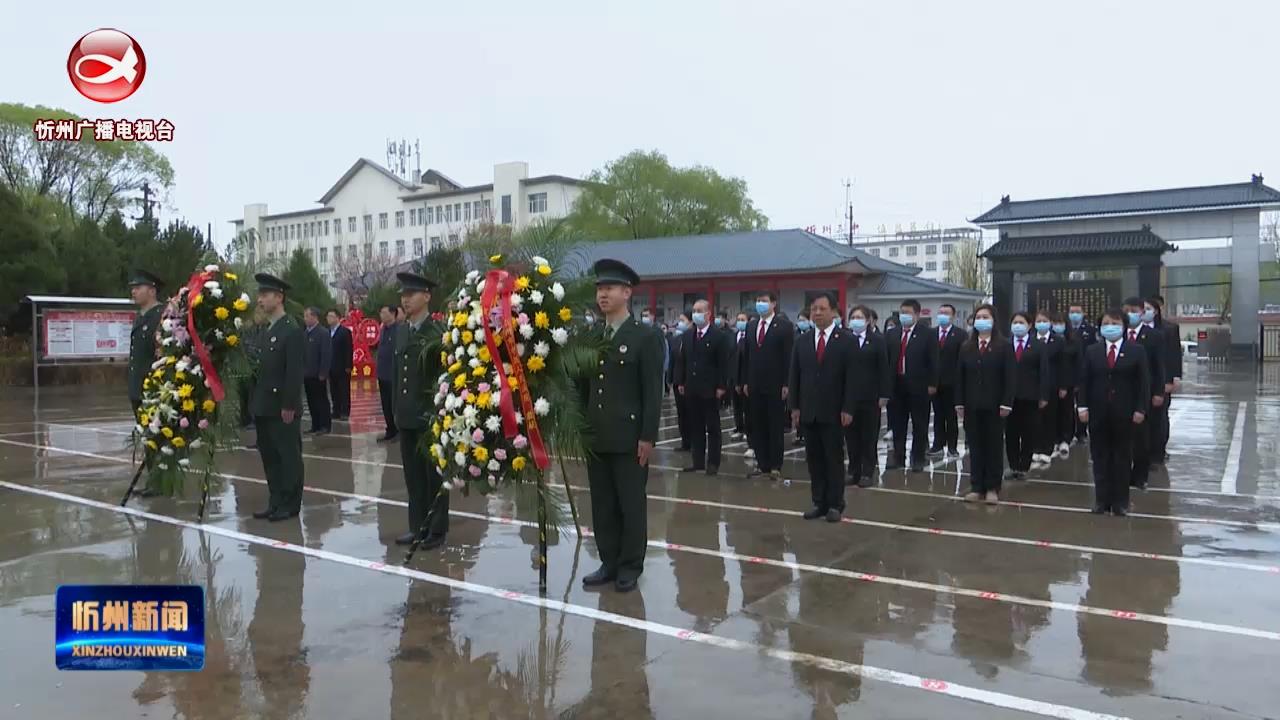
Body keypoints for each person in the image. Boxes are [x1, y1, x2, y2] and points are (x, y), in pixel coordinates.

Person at [583, 259, 663, 593]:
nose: (603, 294)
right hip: (597, 435)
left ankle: (630, 564)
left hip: (629, 437)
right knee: (602, 503)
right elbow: (583, 384)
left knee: (630, 503)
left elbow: (652, 390)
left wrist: (647, 436)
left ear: (627, 293)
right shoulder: (591, 335)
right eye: (600, 289)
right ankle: (609, 561)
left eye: (610, 288)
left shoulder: (645, 336)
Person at [393, 272, 448, 548]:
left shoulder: (435, 333)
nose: (405, 299)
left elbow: (443, 379)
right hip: (406, 416)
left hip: (428, 418)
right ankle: (417, 527)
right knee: (413, 478)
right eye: (403, 295)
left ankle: (435, 529)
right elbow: (398, 374)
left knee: (432, 477)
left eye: (411, 294)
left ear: (426, 296)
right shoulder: (402, 330)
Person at [789, 292, 855, 522]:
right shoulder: (802, 341)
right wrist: (795, 407)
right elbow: (795, 375)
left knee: (833, 459)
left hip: (835, 411)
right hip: (808, 410)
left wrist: (848, 408)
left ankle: (836, 503)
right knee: (814, 460)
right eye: (814, 309)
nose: (817, 313)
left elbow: (852, 378)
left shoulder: (846, 340)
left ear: (833, 312)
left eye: (822, 309)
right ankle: (819, 502)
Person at [1078, 309, 1150, 516]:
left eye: (1115, 322)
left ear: (1124, 326)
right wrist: (1082, 406)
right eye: (1107, 323)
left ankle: (1121, 502)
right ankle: (1102, 500)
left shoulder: (1136, 351)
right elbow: (1084, 381)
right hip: (1098, 412)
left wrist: (1140, 408)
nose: (1111, 326)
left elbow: (1143, 383)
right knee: (1100, 457)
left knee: (1122, 457)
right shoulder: (1092, 351)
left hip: (1125, 412)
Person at [250, 273, 305, 522]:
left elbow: (294, 372)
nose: (260, 300)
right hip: (264, 405)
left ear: (279, 297)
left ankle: (290, 504)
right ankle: (275, 500)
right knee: (270, 457)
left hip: (282, 406)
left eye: (265, 295)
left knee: (288, 457)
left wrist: (289, 404)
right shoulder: (266, 330)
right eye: (259, 295)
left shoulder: (291, 330)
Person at [955, 304, 1015, 504]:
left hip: (995, 406)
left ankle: (992, 487)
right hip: (972, 405)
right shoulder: (966, 347)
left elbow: (1009, 377)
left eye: (985, 316)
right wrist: (959, 403)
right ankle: (976, 486)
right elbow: (960, 377)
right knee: (975, 447)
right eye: (978, 316)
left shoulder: (1004, 346)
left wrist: (1007, 403)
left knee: (993, 447)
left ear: (993, 320)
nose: (981, 320)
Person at [675, 299, 731, 475]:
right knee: (696, 426)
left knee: (712, 427)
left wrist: (722, 386)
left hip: (711, 389)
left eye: (699, 311)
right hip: (692, 388)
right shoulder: (688, 335)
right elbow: (682, 361)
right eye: (694, 311)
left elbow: (724, 363)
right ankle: (697, 461)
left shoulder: (718, 336)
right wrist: (681, 381)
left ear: (708, 314)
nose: (696, 314)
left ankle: (713, 462)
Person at [742, 291, 794, 479]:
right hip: (754, 383)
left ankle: (775, 465)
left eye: (764, 301)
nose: (760, 304)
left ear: (774, 304)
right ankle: (762, 464)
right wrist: (745, 380)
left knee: (774, 425)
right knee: (758, 425)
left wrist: (787, 383)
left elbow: (789, 357)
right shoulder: (752, 325)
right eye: (758, 300)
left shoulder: (784, 327)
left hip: (775, 384)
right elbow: (747, 355)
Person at [885, 299, 937, 472]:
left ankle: (918, 458)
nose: (904, 316)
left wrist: (932, 383)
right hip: (896, 384)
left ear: (917, 314)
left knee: (919, 424)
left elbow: (934, 361)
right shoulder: (892, 333)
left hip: (919, 385)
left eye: (907, 312)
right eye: (902, 312)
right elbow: (887, 360)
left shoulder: (927, 334)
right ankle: (898, 456)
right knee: (898, 423)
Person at [127, 269, 165, 496]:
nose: (133, 291)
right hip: (138, 387)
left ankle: (160, 483)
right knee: (148, 437)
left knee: (157, 436)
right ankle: (155, 480)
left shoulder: (160, 316)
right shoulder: (141, 317)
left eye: (138, 287)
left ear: (151, 290)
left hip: (153, 389)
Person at [843, 305, 890, 488]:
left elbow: (884, 369)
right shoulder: (845, 339)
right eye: (853, 316)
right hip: (848, 398)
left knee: (868, 437)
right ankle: (853, 471)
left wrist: (884, 394)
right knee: (851, 437)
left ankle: (867, 472)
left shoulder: (877, 341)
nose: (856, 320)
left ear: (869, 320)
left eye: (860, 317)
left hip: (870, 397)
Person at [1123, 297, 1166, 490]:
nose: (1130, 314)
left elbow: (1159, 367)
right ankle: (1122, 474)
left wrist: (1158, 391)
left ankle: (1140, 476)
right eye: (1127, 310)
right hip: (1122, 392)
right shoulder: (1118, 334)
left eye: (1134, 310)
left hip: (1145, 393)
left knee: (1142, 437)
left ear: (1141, 312)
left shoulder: (1154, 336)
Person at [1005, 311, 1050, 478]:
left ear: (1029, 325)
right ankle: (1013, 465)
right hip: (1009, 397)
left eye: (1021, 322)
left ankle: (1024, 466)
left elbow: (1044, 372)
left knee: (1028, 432)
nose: (1018, 325)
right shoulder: (1006, 344)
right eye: (1015, 322)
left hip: (1030, 396)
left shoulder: (1038, 345)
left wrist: (1043, 395)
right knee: (1011, 433)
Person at [1146, 297, 1181, 464]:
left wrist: (1172, 379)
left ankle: (1159, 450)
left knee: (1160, 417)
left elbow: (1174, 355)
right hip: (1141, 381)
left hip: (1161, 380)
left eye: (1148, 308)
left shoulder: (1169, 329)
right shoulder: (1133, 330)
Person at [929, 303, 967, 458]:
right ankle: (938, 444)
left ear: (953, 316)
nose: (943, 316)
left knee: (951, 417)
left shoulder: (960, 335)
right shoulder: (930, 334)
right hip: (934, 383)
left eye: (946, 313)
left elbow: (962, 360)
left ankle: (952, 446)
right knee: (938, 415)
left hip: (952, 382)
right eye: (941, 313)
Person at [1031, 309, 1065, 468]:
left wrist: (1063, 385)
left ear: (1050, 323)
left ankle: (1047, 450)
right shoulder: (1030, 340)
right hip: (1033, 385)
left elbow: (1063, 365)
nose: (1041, 323)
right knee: (1035, 419)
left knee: (1049, 418)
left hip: (1052, 385)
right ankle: (1036, 448)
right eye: (1039, 321)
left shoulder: (1058, 341)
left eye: (1045, 320)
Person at [1067, 302, 1097, 444]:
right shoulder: (1065, 329)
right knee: (1067, 404)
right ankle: (1068, 430)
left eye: (1077, 311)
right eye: (1072, 311)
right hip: (1068, 371)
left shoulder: (1090, 330)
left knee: (1082, 402)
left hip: (1085, 370)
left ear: (1083, 313)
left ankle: (1081, 432)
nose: (1074, 314)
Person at [301, 307, 332, 436]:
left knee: (321, 400)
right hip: (307, 374)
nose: (305, 319)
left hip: (318, 374)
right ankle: (315, 425)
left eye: (307, 316)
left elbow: (326, 354)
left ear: (315, 317)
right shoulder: (305, 333)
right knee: (311, 401)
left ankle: (325, 425)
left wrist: (323, 372)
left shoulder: (323, 333)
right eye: (305, 316)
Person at [1051, 313, 1079, 457]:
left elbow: (1078, 364)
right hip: (1051, 382)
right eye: (1054, 322)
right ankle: (1054, 438)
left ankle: (1065, 438)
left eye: (1060, 322)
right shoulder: (1049, 341)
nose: (1057, 325)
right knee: (1052, 411)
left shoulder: (1073, 342)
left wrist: (1074, 383)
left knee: (1067, 411)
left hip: (1068, 382)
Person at [374, 304, 400, 442]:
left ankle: (397, 431)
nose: (381, 315)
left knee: (393, 404)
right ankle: (389, 429)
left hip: (392, 374)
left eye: (384, 313)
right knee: (385, 404)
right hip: (382, 374)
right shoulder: (383, 329)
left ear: (392, 314)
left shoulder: (398, 330)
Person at [669, 312, 692, 451]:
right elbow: (672, 361)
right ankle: (685, 442)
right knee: (681, 414)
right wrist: (670, 379)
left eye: (682, 320)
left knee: (692, 414)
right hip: (678, 382)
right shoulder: (677, 339)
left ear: (690, 322)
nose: (679, 323)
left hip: (690, 382)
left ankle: (695, 442)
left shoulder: (694, 338)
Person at [326, 309, 354, 421]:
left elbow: (349, 349)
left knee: (344, 390)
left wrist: (348, 365)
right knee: (333, 390)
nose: (329, 318)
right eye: (328, 316)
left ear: (338, 318)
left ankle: (345, 411)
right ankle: (336, 410)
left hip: (342, 367)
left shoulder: (345, 332)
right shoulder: (327, 332)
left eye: (331, 316)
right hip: (330, 366)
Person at [730, 312, 750, 441]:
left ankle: (748, 430)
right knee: (736, 406)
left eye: (743, 319)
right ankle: (739, 427)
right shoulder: (732, 337)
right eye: (738, 319)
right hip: (733, 377)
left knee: (747, 407)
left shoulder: (750, 338)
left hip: (745, 379)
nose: (740, 322)